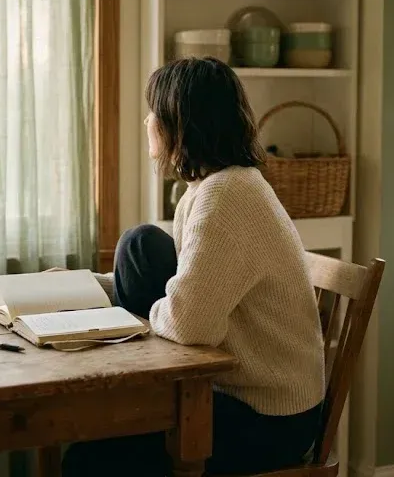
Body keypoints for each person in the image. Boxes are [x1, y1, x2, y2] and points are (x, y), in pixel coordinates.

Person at [60, 57, 326, 477]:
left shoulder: (226, 197)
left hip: (267, 417)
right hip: (246, 397)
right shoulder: (213, 187)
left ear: (176, 123)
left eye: (154, 112)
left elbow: (190, 324)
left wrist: (140, 320)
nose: (147, 120)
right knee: (140, 243)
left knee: (88, 458)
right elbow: (192, 282)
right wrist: (82, 288)